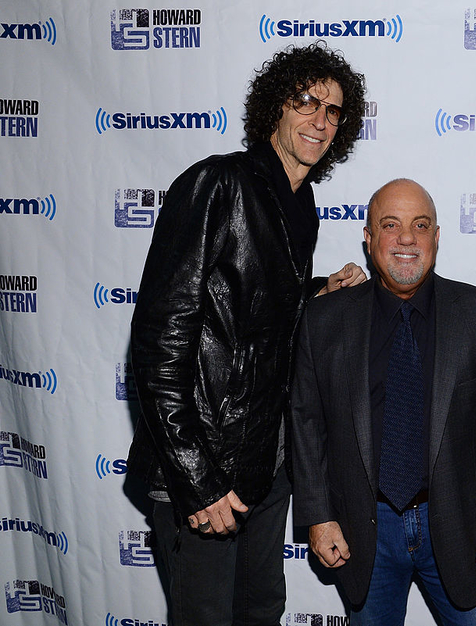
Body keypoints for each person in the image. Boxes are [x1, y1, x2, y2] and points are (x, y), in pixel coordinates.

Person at [126, 42, 367, 626]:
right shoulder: (217, 183)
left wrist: (317, 291)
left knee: (261, 610)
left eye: (333, 111)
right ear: (274, 109)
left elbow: (251, 308)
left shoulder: (301, 204)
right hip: (202, 465)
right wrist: (197, 481)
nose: (320, 119)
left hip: (264, 463)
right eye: (307, 101)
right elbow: (161, 341)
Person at [290, 178, 476, 625]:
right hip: (362, 530)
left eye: (420, 225)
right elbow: (306, 421)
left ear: (436, 237)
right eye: (390, 225)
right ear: (369, 237)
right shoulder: (323, 319)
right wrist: (319, 516)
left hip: (465, 528)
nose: (406, 239)